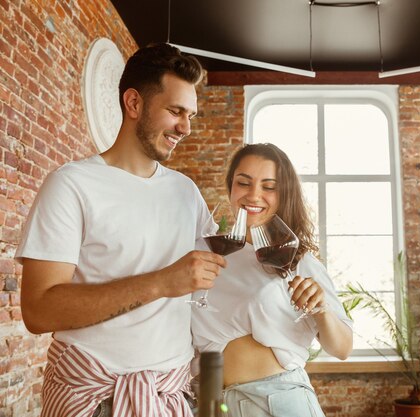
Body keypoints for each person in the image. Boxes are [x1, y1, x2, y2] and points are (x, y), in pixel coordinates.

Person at [15, 43, 226, 417]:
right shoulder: (72, 184)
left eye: (190, 115)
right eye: (176, 111)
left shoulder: (185, 192)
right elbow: (38, 310)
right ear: (133, 103)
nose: (186, 127)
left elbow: (224, 270)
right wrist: (162, 283)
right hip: (93, 399)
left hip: (169, 398)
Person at [191, 143, 353, 417]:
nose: (254, 195)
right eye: (244, 182)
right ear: (231, 187)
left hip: (276, 402)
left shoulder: (299, 260)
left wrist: (321, 309)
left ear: (284, 194)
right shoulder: (207, 252)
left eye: (269, 186)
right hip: (211, 404)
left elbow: (342, 348)